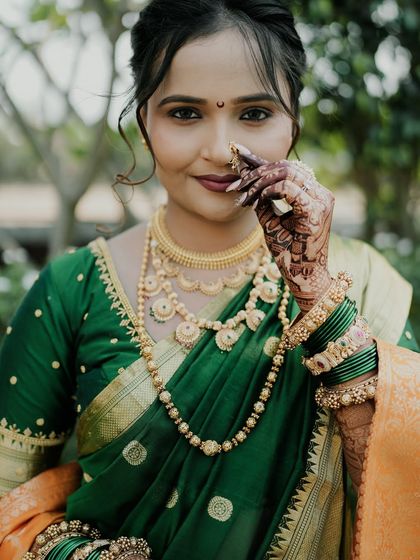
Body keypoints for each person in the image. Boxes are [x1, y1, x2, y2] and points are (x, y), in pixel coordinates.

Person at [0, 1, 418, 559]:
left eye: (254, 114)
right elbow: (6, 509)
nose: (222, 150)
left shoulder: (358, 282)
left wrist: (320, 299)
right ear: (143, 119)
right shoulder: (71, 289)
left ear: (293, 119)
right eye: (185, 113)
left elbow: (403, 494)